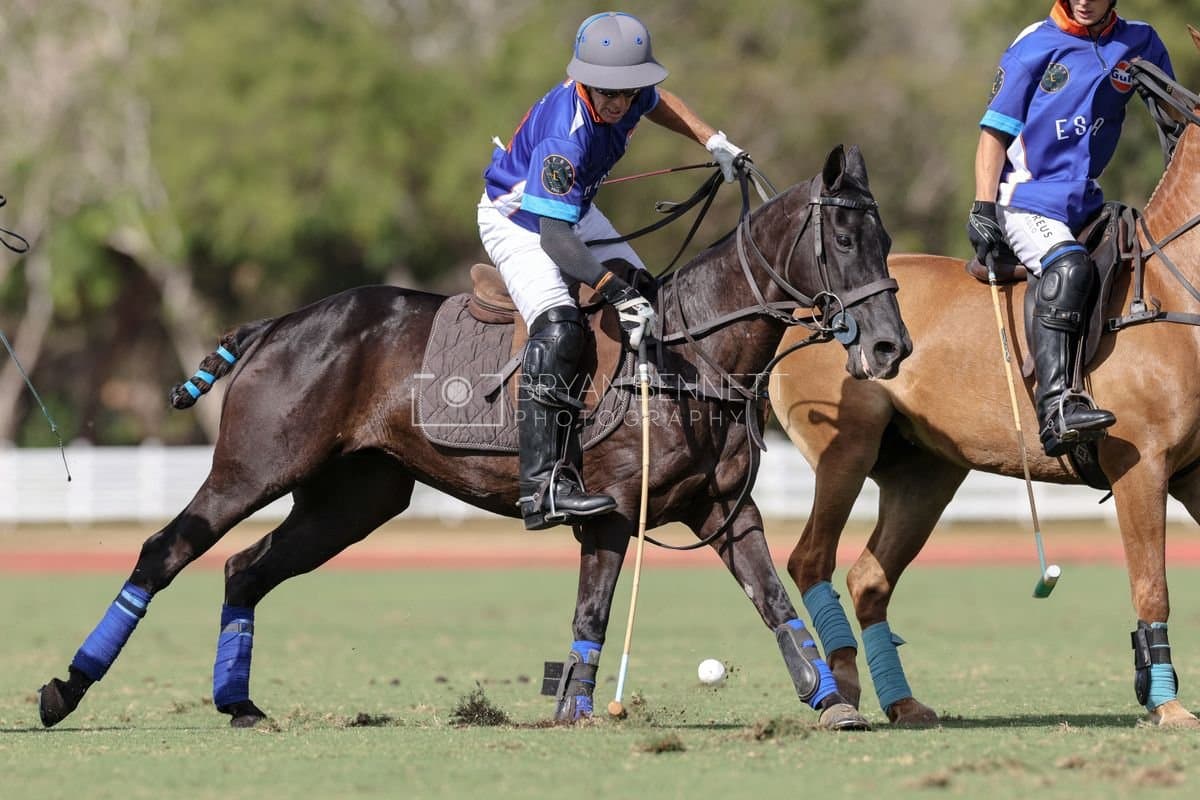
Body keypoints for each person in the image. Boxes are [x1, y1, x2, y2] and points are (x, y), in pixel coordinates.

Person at [479, 11, 747, 530]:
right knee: (559, 328)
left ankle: (643, 434)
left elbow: (658, 101)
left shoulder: (626, 92)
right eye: (608, 93)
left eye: (628, 91)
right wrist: (615, 291)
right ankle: (543, 489)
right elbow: (555, 239)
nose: (620, 103)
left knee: (655, 301)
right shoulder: (565, 134)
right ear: (584, 80)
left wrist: (711, 139)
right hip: (520, 221)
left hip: (573, 210)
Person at [966, 0, 1174, 457]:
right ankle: (1057, 406)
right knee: (1070, 266)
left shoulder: (1140, 41)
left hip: (1086, 201)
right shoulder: (1034, 45)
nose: (1082, 0)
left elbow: (1174, 117)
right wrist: (983, 205)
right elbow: (994, 132)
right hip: (1025, 199)